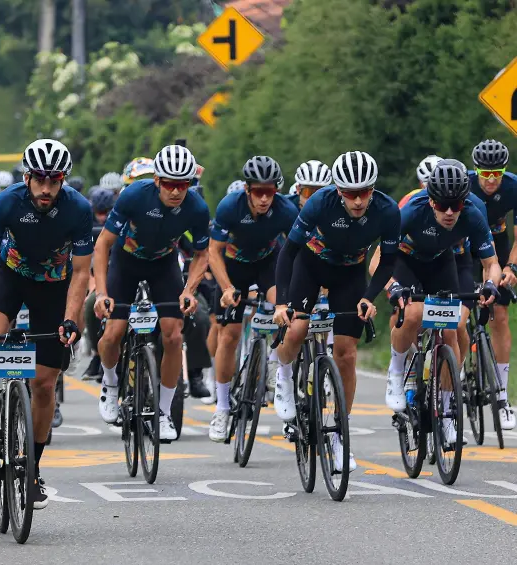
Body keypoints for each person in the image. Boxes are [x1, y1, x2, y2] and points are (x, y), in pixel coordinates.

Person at [0, 139, 93, 509]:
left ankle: (31, 471)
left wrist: (71, 319)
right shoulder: (6, 202)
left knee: (45, 384)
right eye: (40, 180)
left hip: (53, 285)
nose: (46, 189)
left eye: (55, 180)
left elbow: (81, 274)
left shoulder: (78, 209)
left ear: (63, 179)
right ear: (27, 177)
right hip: (10, 275)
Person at [273, 150, 400, 471]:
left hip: (351, 274)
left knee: (346, 352)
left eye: (364, 193)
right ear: (338, 191)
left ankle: (340, 435)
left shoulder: (386, 210)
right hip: (310, 267)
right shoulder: (319, 203)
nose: (358, 201)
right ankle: (284, 374)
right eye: (350, 194)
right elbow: (288, 253)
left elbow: (388, 261)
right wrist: (282, 302)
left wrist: (370, 297)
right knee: (298, 329)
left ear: (374, 189)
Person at [93, 145, 210, 441]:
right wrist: (102, 293)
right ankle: (109, 383)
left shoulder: (196, 207)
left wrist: (189, 290)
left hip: (163, 264)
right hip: (126, 262)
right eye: (169, 184)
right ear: (157, 180)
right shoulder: (134, 196)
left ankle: (164, 412)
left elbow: (201, 254)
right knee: (113, 332)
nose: (175, 192)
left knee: (172, 334)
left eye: (182, 185)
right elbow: (103, 244)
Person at [385, 159, 504, 436]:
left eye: (456, 205)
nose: (450, 212)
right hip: (407, 260)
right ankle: (396, 371)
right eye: (442, 206)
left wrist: (490, 285)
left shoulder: (474, 212)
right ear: (430, 200)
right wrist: (392, 287)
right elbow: (380, 258)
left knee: (453, 330)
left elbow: (492, 263)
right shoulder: (411, 210)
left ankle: (448, 410)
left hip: (441, 262)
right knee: (413, 314)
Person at [207, 156, 299, 441]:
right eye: (257, 192)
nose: (263, 198)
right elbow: (213, 252)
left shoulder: (285, 209)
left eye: (269, 192)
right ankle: (222, 408)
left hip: (267, 264)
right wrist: (225, 287)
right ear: (247, 190)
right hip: (233, 267)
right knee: (230, 335)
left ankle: (273, 361)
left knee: (283, 312)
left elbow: (298, 250)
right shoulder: (229, 207)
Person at [467, 139, 517, 423]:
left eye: (496, 173)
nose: (490, 180)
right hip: (464, 245)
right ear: (476, 171)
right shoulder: (464, 185)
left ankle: (500, 395)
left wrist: (512, 267)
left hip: (496, 244)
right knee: (457, 314)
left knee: (499, 314)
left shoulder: (513, 187)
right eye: (484, 173)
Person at [82, 187, 118, 378]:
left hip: (123, 274)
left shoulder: (121, 221)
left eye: (107, 213)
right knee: (90, 304)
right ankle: (97, 354)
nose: (103, 218)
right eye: (99, 213)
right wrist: (93, 287)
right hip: (99, 276)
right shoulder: (88, 227)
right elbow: (86, 264)